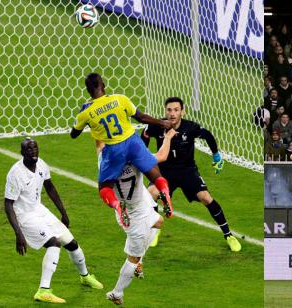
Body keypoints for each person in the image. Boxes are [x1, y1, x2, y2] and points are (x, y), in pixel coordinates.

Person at [4, 138, 103, 304]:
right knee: (54, 243)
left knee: (71, 242)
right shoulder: (15, 174)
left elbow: (49, 187)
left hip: (39, 209)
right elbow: (8, 204)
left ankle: (85, 276)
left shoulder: (41, 164)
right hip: (25, 216)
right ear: (22, 153)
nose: (33, 151)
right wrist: (18, 233)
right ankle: (43, 290)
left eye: (35, 148)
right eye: (28, 149)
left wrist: (63, 213)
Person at [70, 73, 174, 228]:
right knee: (154, 173)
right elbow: (142, 118)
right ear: (103, 85)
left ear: (88, 90)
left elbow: (74, 134)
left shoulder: (86, 111)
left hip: (114, 150)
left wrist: (86, 119)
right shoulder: (120, 99)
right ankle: (164, 192)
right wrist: (162, 123)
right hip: (133, 142)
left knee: (104, 187)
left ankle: (118, 206)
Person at [141, 97, 241, 252]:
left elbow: (207, 135)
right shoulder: (157, 125)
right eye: (169, 110)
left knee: (206, 198)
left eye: (176, 110)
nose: (172, 113)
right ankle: (155, 230)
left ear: (182, 111)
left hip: (187, 170)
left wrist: (216, 155)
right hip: (164, 171)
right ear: (165, 111)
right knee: (150, 194)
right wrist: (143, 154)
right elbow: (145, 134)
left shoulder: (190, 127)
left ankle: (228, 235)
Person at [97, 128, 176, 305]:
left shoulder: (104, 160)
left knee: (158, 221)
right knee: (133, 258)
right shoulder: (137, 159)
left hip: (130, 205)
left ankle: (139, 259)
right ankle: (117, 293)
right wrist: (168, 137)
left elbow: (99, 144)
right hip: (135, 213)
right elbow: (162, 157)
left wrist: (97, 124)